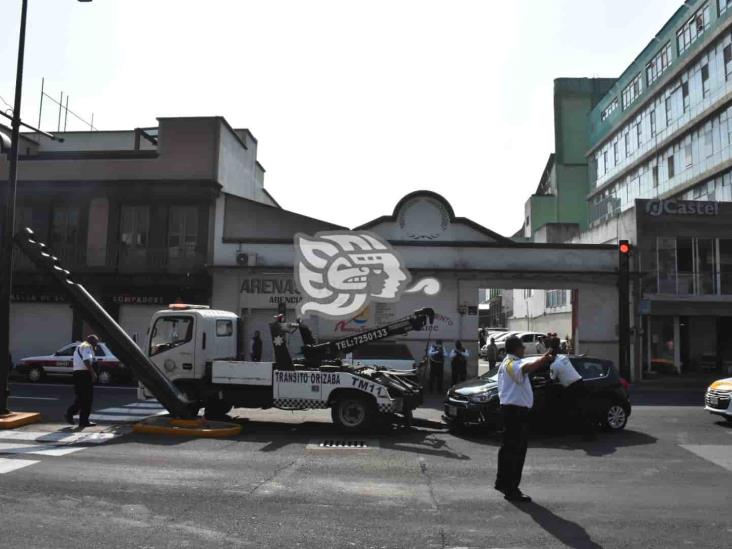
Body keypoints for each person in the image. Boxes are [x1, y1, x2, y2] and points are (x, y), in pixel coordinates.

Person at [494, 335, 555, 503]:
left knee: (509, 450)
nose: (524, 349)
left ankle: (503, 484)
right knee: (516, 451)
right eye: (522, 346)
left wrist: (545, 354)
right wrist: (543, 359)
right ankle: (511, 489)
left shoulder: (510, 362)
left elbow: (527, 363)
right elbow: (526, 367)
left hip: (513, 412)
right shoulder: (511, 364)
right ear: (515, 348)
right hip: (515, 413)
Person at [550, 354, 594, 438]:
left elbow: (552, 379)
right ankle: (587, 432)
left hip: (572, 387)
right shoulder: (563, 357)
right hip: (580, 383)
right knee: (582, 409)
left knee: (574, 409)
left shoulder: (554, 365)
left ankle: (586, 434)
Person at [65, 335, 99, 429]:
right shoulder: (86, 346)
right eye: (96, 342)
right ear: (91, 341)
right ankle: (78, 418)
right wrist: (93, 373)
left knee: (81, 398)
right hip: (84, 375)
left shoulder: (81, 346)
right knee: (87, 399)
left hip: (79, 374)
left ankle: (79, 418)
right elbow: (86, 360)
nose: (96, 344)